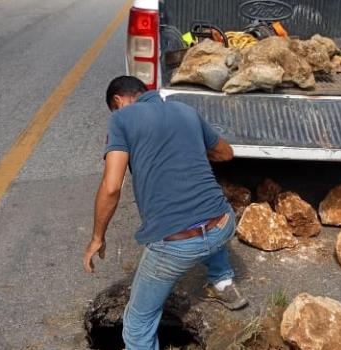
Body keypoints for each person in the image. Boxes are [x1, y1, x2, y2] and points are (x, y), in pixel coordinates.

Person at [83, 76, 248, 349]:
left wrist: (97, 237)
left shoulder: (121, 120)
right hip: (224, 224)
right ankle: (223, 283)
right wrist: (185, 152)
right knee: (205, 212)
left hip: (176, 243)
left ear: (118, 101)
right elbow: (225, 153)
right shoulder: (185, 110)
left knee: (137, 322)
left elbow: (112, 187)